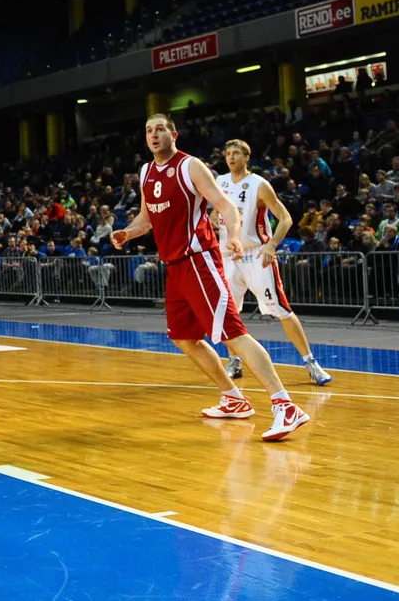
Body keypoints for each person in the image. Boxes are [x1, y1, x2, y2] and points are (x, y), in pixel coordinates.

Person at [111, 114, 309, 441]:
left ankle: (285, 405)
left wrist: (232, 234)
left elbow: (227, 206)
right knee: (183, 337)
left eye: (160, 129)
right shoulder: (145, 172)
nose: (154, 134)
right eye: (148, 130)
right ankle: (232, 397)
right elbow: (146, 218)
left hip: (199, 260)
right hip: (174, 266)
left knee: (232, 332)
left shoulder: (191, 167)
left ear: (173, 134)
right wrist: (128, 233)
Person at [214, 140, 332, 386]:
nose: (231, 157)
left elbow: (286, 218)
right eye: (227, 154)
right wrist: (216, 221)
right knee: (228, 312)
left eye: (236, 153)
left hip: (256, 255)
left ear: (247, 157)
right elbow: (215, 215)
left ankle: (311, 363)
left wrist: (271, 245)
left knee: (281, 309)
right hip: (229, 255)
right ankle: (234, 360)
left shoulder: (259, 184)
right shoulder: (220, 182)